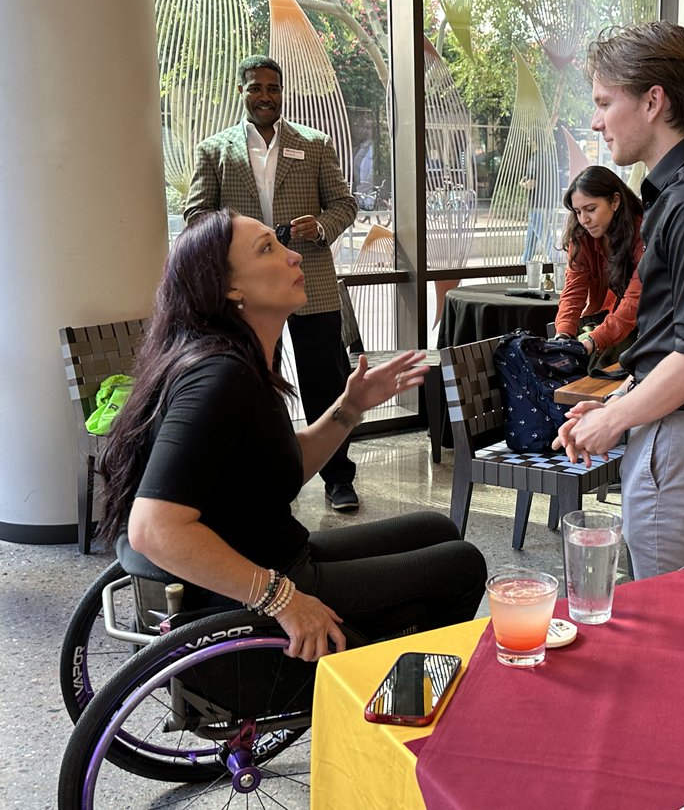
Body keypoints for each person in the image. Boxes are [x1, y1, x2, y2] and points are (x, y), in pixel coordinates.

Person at [95, 209, 487, 662]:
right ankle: (395, 689)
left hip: (272, 554)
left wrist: (350, 407)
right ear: (229, 288)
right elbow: (152, 528)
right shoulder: (220, 377)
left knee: (434, 528)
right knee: (462, 566)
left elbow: (279, 469)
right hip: (250, 588)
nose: (295, 255)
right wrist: (283, 600)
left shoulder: (239, 360)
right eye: (268, 248)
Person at [554, 21, 684, 579]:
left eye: (603, 102)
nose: (596, 121)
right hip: (683, 432)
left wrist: (613, 420)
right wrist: (620, 400)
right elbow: (673, 337)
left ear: (653, 100)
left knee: (674, 629)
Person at [185, 55, 361, 513]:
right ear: (242, 92)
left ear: (283, 92)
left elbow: (344, 204)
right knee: (259, 385)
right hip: (250, 291)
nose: (265, 96)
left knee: (327, 380)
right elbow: (196, 215)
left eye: (273, 88)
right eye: (256, 88)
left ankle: (339, 477)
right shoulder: (215, 151)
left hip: (310, 281)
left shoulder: (315, 144)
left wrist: (320, 226)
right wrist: (243, 238)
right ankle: (272, 475)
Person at [553, 165, 645, 371]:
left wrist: (594, 341)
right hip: (605, 319)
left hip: (646, 325)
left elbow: (636, 300)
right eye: (578, 212)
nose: (584, 220)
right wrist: (563, 335)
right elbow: (573, 291)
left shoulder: (642, 231)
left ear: (615, 201)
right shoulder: (580, 235)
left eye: (591, 209)